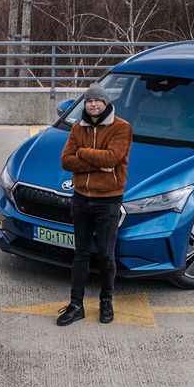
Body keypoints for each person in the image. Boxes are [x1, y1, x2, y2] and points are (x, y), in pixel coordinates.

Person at [56, 83, 132, 326]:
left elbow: (113, 158)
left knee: (106, 255)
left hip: (108, 201)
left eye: (97, 100)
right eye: (89, 101)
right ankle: (76, 304)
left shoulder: (122, 128)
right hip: (80, 199)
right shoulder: (78, 128)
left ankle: (106, 301)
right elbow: (66, 161)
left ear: (105, 102)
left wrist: (83, 154)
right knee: (80, 255)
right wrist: (97, 161)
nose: (93, 104)